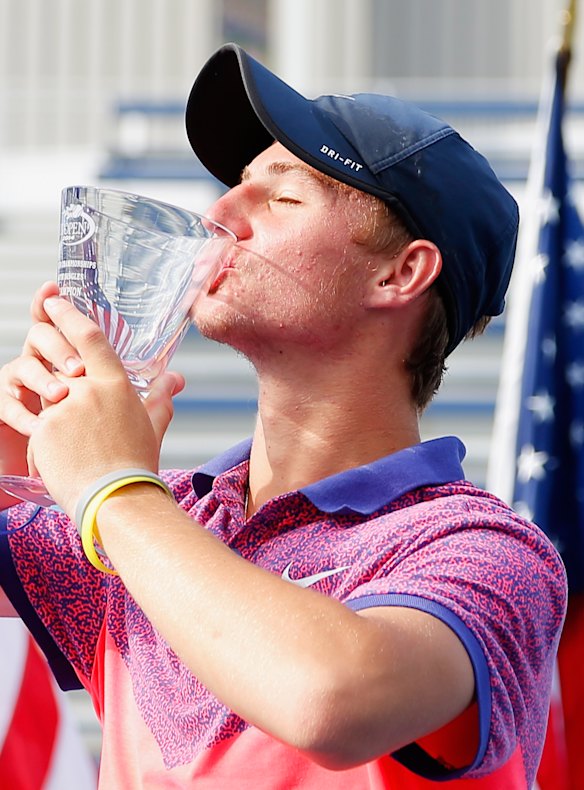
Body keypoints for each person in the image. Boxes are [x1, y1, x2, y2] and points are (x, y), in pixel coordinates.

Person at [0, 43, 567, 788]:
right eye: (235, 186)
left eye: (281, 196)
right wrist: (13, 462)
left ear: (402, 273)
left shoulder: (488, 549)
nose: (221, 214)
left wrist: (111, 485)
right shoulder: (158, 522)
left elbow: (333, 701)